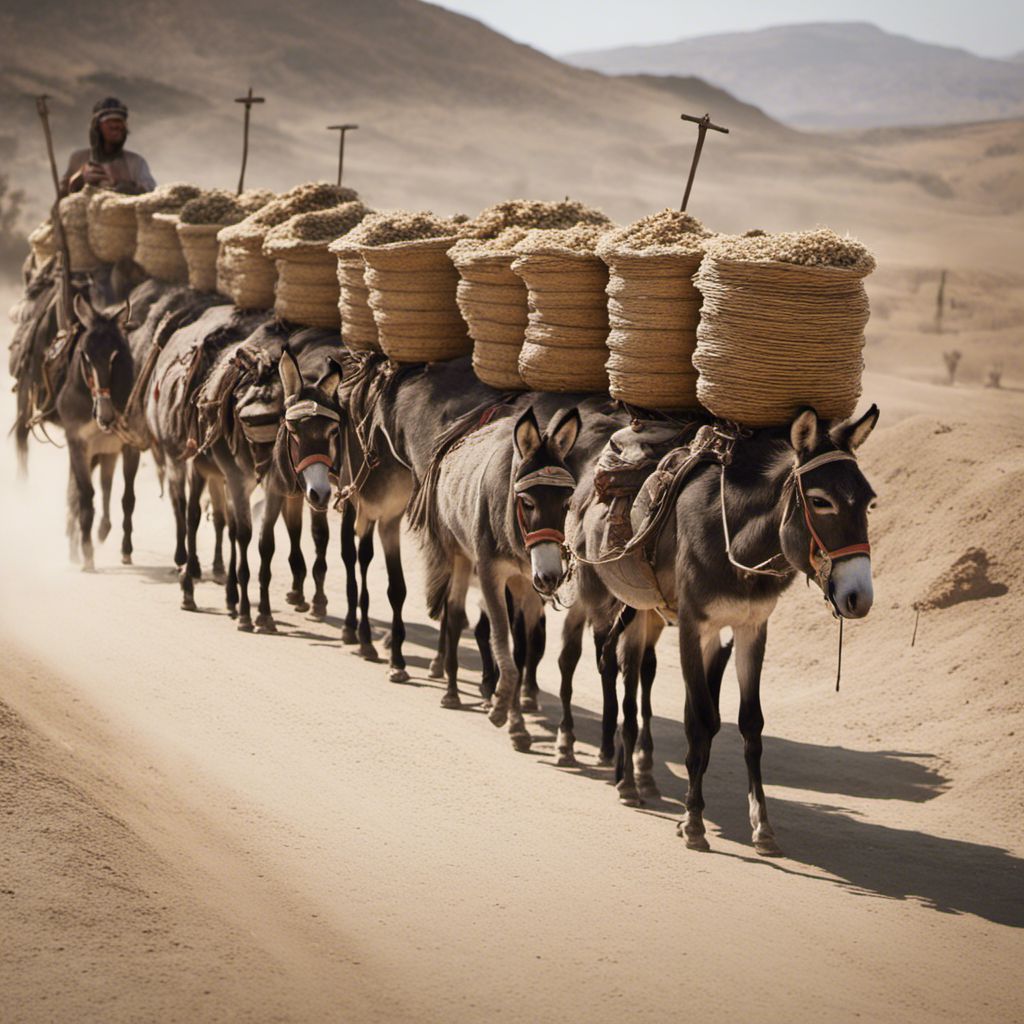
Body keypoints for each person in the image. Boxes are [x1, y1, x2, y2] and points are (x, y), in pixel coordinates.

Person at [60, 97, 156, 196]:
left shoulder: (136, 163)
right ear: (97, 126)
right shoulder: (79, 159)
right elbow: (61, 201)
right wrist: (80, 180)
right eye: (109, 121)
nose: (116, 126)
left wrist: (123, 186)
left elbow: (151, 196)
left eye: (119, 121)